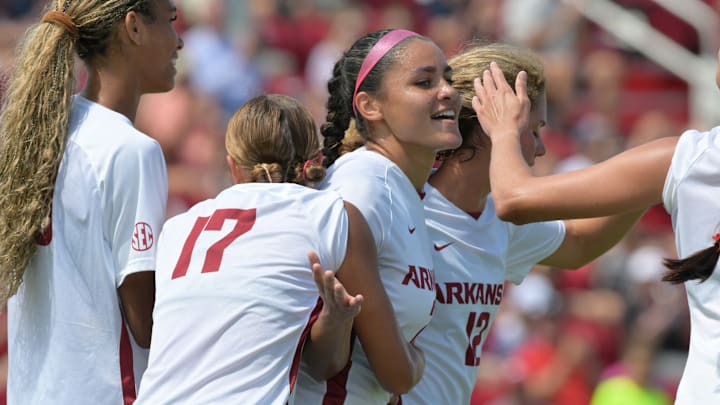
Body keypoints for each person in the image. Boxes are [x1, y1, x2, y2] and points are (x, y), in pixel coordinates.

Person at [393, 42, 645, 405]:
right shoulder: (399, 205)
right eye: (534, 130)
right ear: (491, 124)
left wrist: (658, 181)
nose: (541, 149)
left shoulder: (499, 218)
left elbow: (578, 244)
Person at [135, 94, 424, 404]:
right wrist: (420, 354)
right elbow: (397, 375)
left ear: (233, 164)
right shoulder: (331, 216)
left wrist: (334, 321)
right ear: (313, 161)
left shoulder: (177, 228)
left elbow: (318, 362)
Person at [472, 45, 720, 405]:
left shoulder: (691, 161)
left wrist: (504, 129)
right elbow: (577, 242)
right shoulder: (688, 163)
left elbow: (514, 199)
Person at [0, 0, 182, 403]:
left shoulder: (37, 135)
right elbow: (146, 324)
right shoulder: (131, 150)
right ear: (133, 27)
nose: (179, 40)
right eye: (170, 20)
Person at [294, 28, 463, 404]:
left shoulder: (400, 190)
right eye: (424, 82)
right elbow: (392, 372)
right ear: (370, 107)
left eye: (448, 79)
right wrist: (416, 362)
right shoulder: (364, 182)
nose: (448, 91)